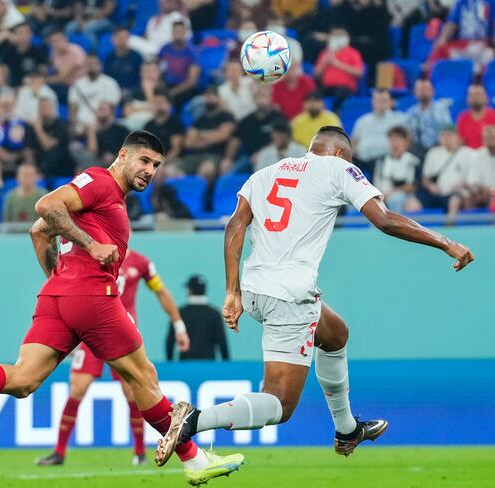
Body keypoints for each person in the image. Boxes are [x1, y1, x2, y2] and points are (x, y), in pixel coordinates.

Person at [0, 131, 244, 487]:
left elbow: (37, 232)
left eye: (156, 165)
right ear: (123, 155)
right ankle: (194, 460)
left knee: (25, 379)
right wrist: (91, 247)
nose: (150, 170)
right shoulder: (101, 182)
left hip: (59, 296)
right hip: (95, 297)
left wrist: (61, 280)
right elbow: (44, 207)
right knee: (144, 376)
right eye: (144, 161)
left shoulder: (109, 198)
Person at [155, 125, 475, 467]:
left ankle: (347, 428)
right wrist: (445, 242)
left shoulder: (266, 172)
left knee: (335, 333)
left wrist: (232, 291)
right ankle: (194, 421)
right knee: (280, 404)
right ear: (339, 153)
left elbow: (235, 225)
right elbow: (384, 219)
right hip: (289, 296)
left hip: (255, 289)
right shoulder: (339, 168)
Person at [36, 248, 190, 466]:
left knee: (133, 392)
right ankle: (59, 452)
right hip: (90, 331)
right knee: (77, 389)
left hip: (120, 333)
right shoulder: (90, 254)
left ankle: (140, 453)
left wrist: (179, 325)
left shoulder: (141, 262)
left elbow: (161, 291)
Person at [166, 274, 227, 361]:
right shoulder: (214, 313)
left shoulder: (179, 313)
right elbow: (222, 343)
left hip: (185, 364)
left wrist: (169, 364)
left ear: (190, 291)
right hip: (208, 364)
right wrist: (227, 366)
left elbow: (170, 341)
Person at [351, 90, 407, 176]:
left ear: (391, 102)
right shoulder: (362, 121)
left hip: (388, 160)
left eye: (384, 100)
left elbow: (407, 142)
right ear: (372, 102)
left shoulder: (400, 119)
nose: (381, 103)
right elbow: (354, 143)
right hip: (363, 161)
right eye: (378, 100)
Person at [68, 53, 121, 135]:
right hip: (81, 127)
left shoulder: (110, 83)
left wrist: (101, 126)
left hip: (103, 126)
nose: (91, 66)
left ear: (100, 65)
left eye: (94, 63)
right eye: (88, 64)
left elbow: (112, 110)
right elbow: (72, 110)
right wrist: (74, 126)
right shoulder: (77, 85)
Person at [313, 26, 364, 111]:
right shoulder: (325, 53)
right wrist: (325, 63)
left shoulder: (353, 53)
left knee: (340, 95)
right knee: (314, 95)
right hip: (327, 86)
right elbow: (316, 74)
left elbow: (359, 73)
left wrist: (337, 64)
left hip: (345, 87)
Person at [373, 125, 422, 213]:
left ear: (406, 142)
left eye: (398, 139)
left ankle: (396, 226)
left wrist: (391, 192)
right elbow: (376, 183)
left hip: (404, 196)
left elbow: (412, 187)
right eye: (392, 139)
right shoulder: (381, 161)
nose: (394, 143)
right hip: (382, 195)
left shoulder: (412, 160)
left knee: (396, 199)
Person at [158, 21, 201, 112]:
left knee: (177, 99)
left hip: (184, 87)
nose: (178, 34)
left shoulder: (192, 53)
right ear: (172, 32)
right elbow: (159, 69)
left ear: (185, 33)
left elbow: (192, 81)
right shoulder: (165, 49)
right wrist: (160, 82)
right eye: (176, 31)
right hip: (168, 84)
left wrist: (173, 92)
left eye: (180, 32)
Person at [405, 79, 453, 156]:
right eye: (420, 89)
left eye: (426, 89)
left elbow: (448, 129)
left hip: (437, 147)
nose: (422, 92)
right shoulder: (411, 112)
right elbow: (408, 134)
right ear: (414, 92)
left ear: (433, 91)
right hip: (417, 149)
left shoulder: (441, 109)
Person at [456, 84, 495, 149]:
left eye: (478, 94)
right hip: (468, 155)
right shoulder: (462, 118)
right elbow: (461, 142)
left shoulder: (493, 116)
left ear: (486, 98)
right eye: (471, 95)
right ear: (467, 99)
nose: (475, 98)